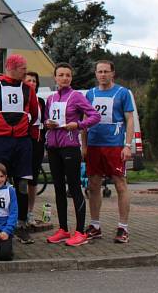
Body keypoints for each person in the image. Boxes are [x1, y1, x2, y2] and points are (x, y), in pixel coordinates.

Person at [0, 54, 39, 244]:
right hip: (1, 141)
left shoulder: (28, 88)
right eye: (23, 67)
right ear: (11, 67)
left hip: (22, 142)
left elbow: (34, 113)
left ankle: (21, 224)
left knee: (22, 183)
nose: (25, 70)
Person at [44, 63, 100, 247]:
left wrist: (78, 125)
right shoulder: (51, 98)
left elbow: (94, 116)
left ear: (71, 78)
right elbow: (46, 119)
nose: (64, 78)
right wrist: (48, 123)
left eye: (68, 75)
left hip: (70, 147)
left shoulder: (77, 96)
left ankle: (80, 231)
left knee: (74, 188)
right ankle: (63, 229)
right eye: (61, 75)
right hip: (53, 147)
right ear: (55, 78)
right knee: (58, 188)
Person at [84, 60, 136, 243]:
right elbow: (84, 121)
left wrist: (127, 145)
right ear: (96, 74)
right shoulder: (90, 94)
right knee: (93, 185)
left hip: (114, 146)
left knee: (120, 185)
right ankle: (95, 225)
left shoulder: (123, 93)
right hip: (94, 145)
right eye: (100, 71)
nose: (103, 74)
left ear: (113, 73)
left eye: (106, 71)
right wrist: (84, 146)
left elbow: (130, 119)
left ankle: (123, 228)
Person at [24, 71, 46, 224]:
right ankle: (18, 211)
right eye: (29, 80)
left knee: (33, 180)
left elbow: (44, 123)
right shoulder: (20, 99)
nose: (32, 83)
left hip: (37, 143)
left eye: (34, 81)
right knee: (20, 179)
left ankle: (30, 211)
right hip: (22, 142)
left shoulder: (41, 102)